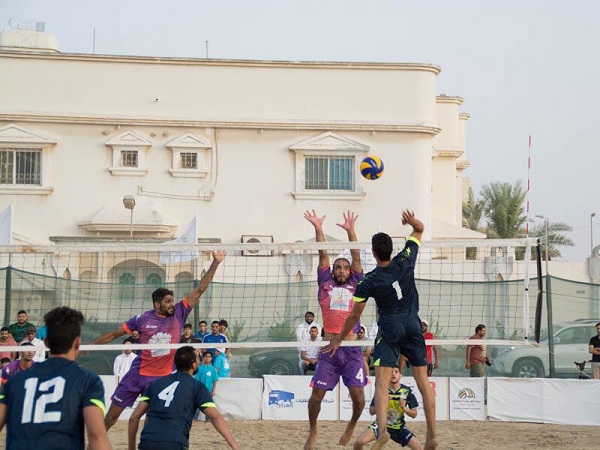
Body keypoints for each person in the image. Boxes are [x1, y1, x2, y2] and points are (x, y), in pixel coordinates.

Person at [323, 210, 437, 450]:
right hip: (413, 325)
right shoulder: (405, 259)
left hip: (390, 328)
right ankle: (432, 434)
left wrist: (339, 338)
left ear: (374, 253)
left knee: (382, 384)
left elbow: (355, 316)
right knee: (423, 382)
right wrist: (411, 222)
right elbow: (419, 229)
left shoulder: (370, 281)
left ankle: (382, 430)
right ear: (391, 249)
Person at [89, 250, 225, 430]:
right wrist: (91, 345)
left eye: (172, 300)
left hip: (162, 378)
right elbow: (114, 334)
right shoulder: (142, 319)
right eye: (168, 301)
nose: (172, 304)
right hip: (137, 374)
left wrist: (216, 262)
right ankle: (95, 442)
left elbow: (200, 289)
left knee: (155, 420)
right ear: (157, 303)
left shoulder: (179, 313)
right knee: (112, 416)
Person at [0, 306, 110, 450]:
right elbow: (97, 437)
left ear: (45, 342)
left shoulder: (15, 381)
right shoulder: (89, 382)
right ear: (77, 343)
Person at [303, 209, 366, 450]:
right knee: (315, 398)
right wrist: (318, 227)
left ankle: (352, 424)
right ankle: (313, 430)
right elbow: (322, 253)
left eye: (345, 268)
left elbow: (356, 255)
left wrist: (351, 230)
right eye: (338, 267)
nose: (341, 270)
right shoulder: (325, 283)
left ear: (350, 272)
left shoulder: (356, 283)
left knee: (358, 398)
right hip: (329, 349)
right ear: (332, 271)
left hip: (351, 349)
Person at [128, 346, 239, 450]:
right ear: (193, 365)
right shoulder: (197, 387)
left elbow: (134, 417)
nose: (199, 361)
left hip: (147, 441)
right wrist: (234, 446)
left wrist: (131, 448)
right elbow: (215, 417)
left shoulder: (156, 384)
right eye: (198, 359)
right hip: (174, 442)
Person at [353, 366, 422, 450]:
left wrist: (405, 408)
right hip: (380, 425)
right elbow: (371, 411)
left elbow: (414, 414)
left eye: (396, 372)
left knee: (419, 448)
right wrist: (382, 403)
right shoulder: (382, 390)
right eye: (390, 372)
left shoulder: (407, 391)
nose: (393, 374)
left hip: (398, 428)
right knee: (359, 442)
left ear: (400, 375)